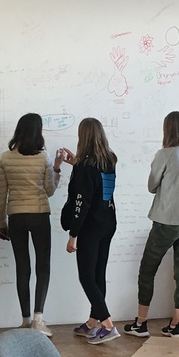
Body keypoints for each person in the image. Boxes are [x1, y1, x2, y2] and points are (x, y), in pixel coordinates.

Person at [124, 110, 179, 338]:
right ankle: (177, 325)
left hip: (168, 220)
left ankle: (141, 323)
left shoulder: (165, 154)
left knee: (147, 269)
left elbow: (152, 185)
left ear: (167, 129)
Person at [0, 113, 60, 336]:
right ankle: (38, 320)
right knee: (43, 266)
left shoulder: (5, 158)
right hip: (39, 214)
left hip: (16, 217)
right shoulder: (44, 158)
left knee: (23, 267)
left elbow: (0, 194)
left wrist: (1, 223)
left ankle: (24, 320)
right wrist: (57, 169)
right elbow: (50, 191)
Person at [60, 118, 120, 344]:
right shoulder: (109, 160)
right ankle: (92, 323)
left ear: (82, 137)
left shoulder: (85, 167)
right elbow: (94, 182)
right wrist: (75, 163)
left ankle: (108, 326)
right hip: (108, 223)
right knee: (98, 274)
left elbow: (81, 202)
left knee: (86, 276)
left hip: (91, 227)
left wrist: (73, 235)